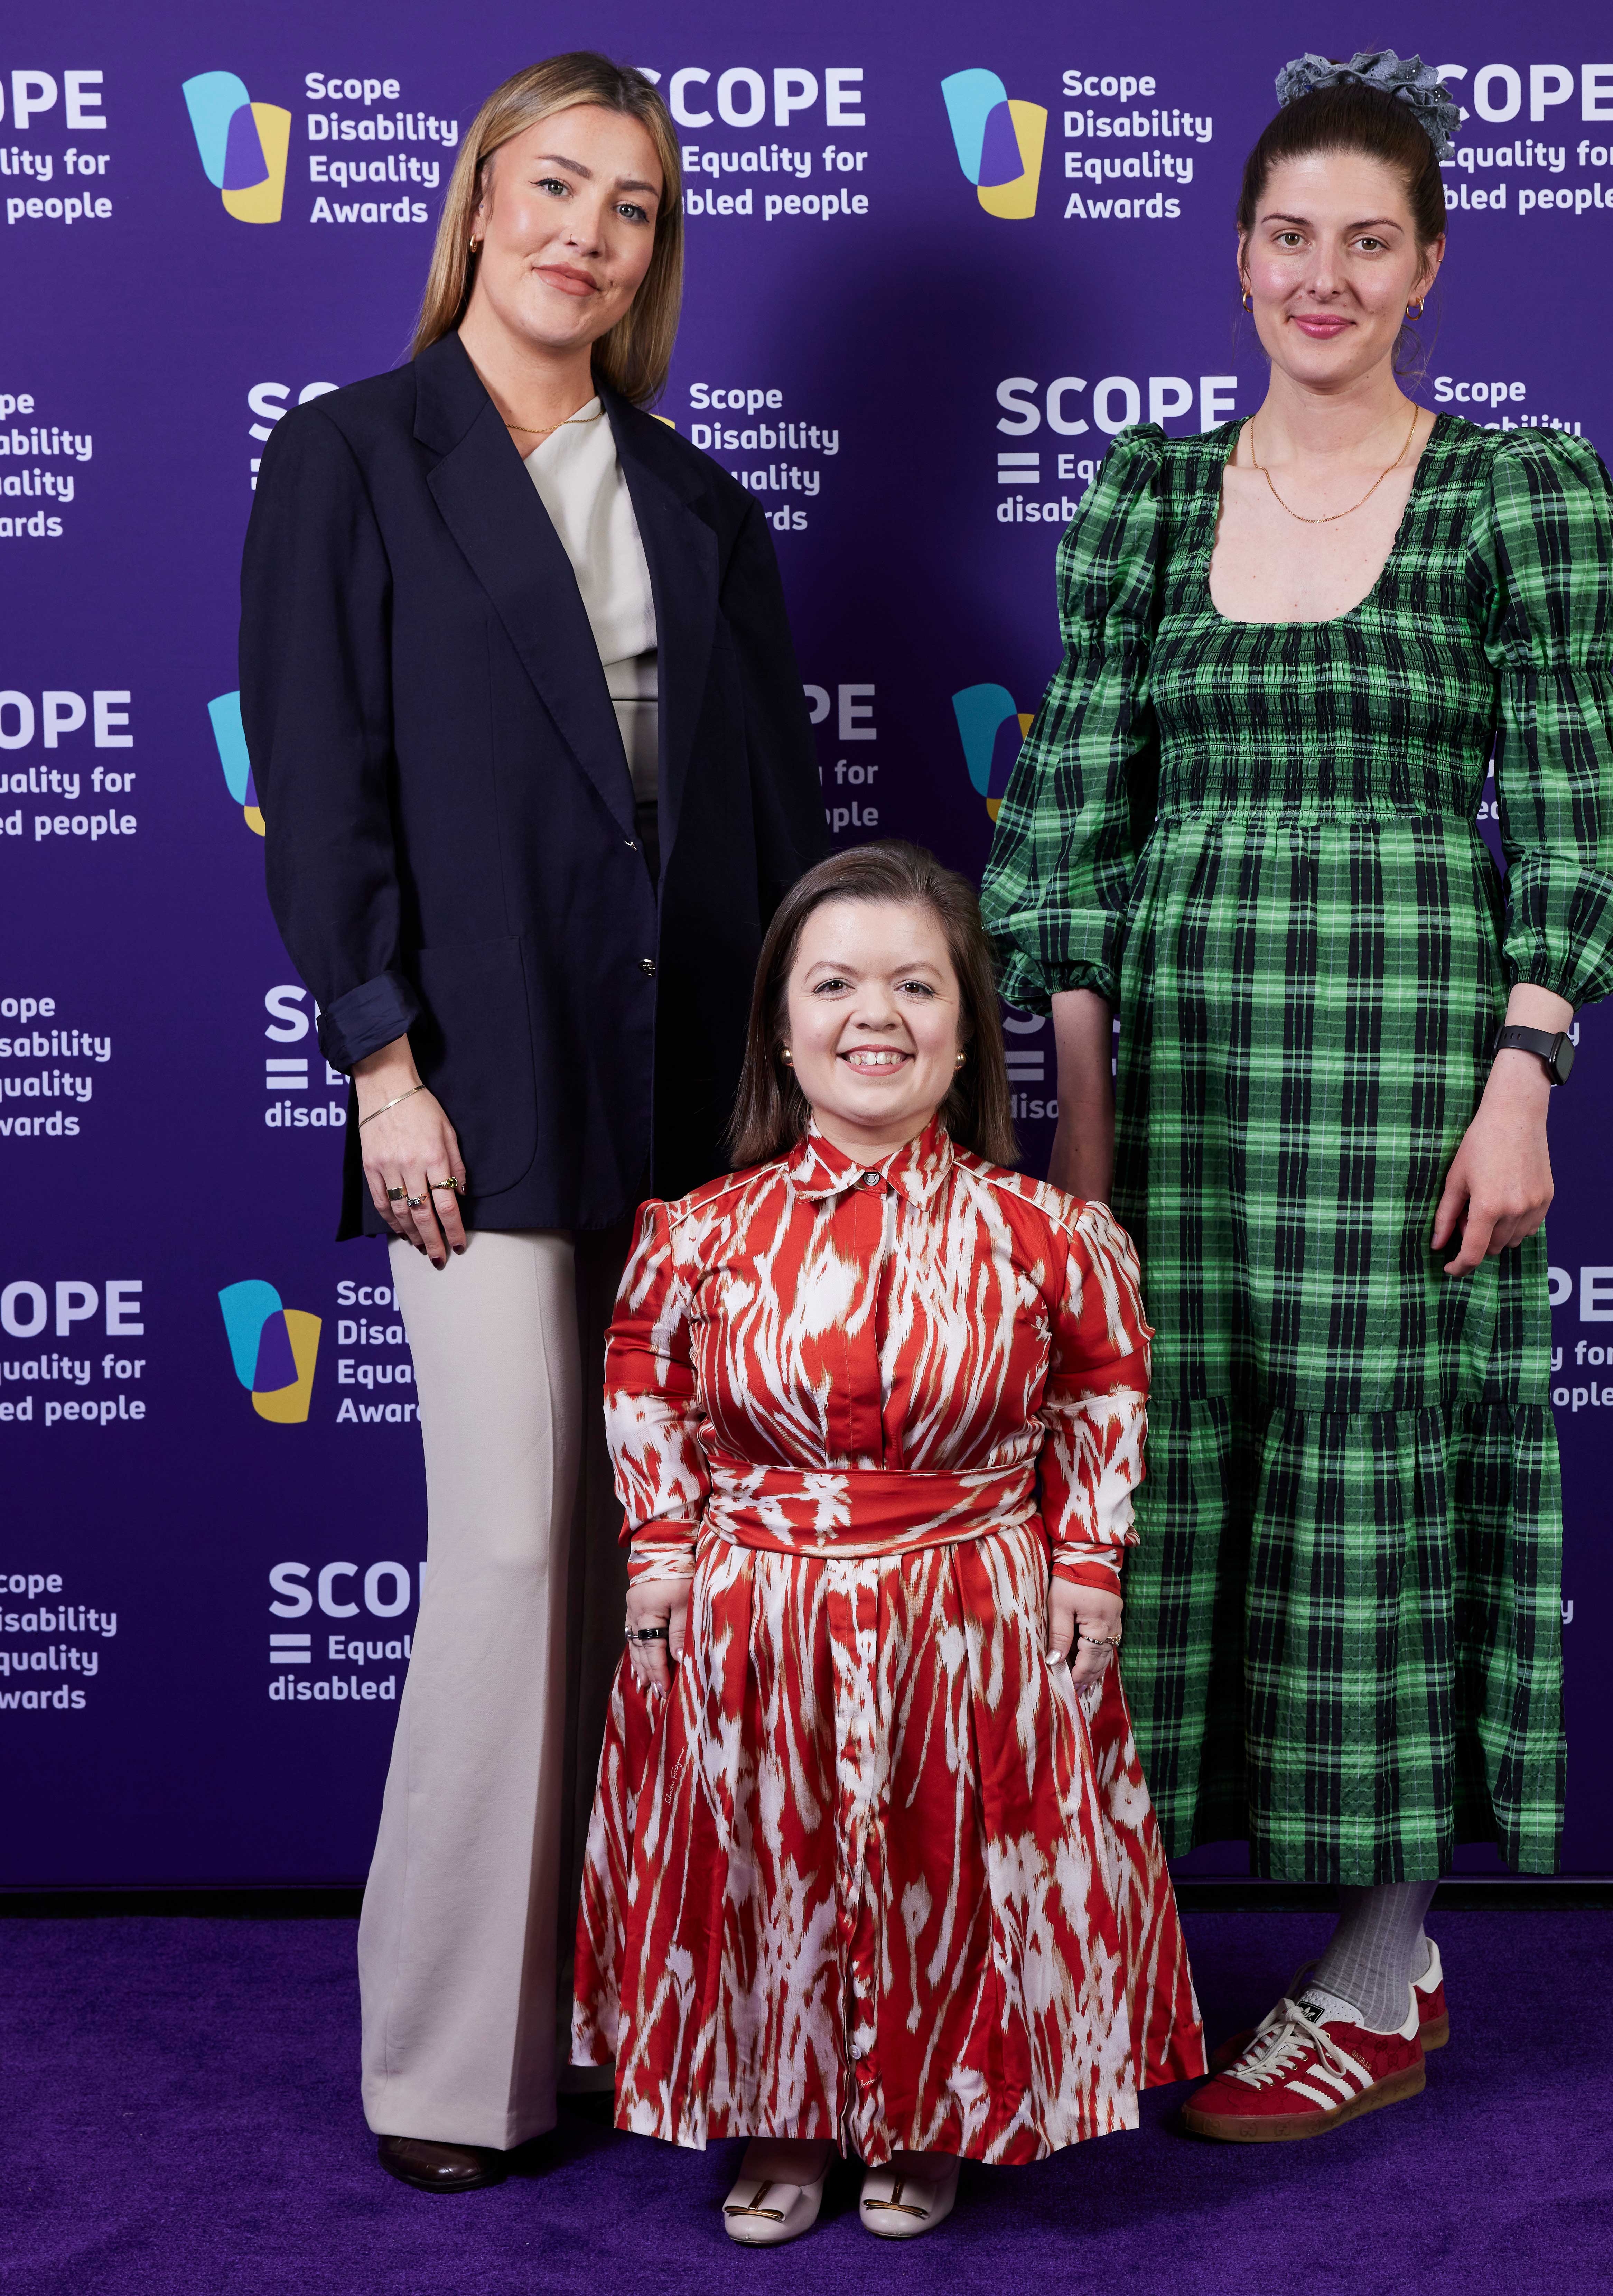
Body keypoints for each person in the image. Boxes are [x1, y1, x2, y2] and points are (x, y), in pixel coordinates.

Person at [981, 51, 1613, 2141]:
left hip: (1405, 1074)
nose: (1325, 276)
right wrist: (1080, 1132)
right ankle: (1104, 1959)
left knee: (1378, 1488)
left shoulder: (1512, 494)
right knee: (1143, 1481)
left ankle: (1382, 1975)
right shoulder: (1146, 496)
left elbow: (1590, 813)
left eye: (1368, 242)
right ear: (1239, 259)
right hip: (1181, 1080)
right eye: (1290, 237)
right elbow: (1071, 830)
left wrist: (1524, 1078)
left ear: (1428, 267)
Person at [239, 52, 827, 2192]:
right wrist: (381, 1067)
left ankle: (605, 2014)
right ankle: (445, 2067)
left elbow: (771, 826)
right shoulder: (351, 455)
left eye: (633, 206)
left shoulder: (699, 504)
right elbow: (322, 789)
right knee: (506, 1549)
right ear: (482, 199)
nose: (588, 233)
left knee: (640, 1578)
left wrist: (801, 1121)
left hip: (694, 1105)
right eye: (557, 186)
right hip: (471, 1092)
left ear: (657, 252)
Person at [571, 842, 1205, 2241]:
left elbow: (1103, 1391)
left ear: (967, 1032)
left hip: (971, 1609)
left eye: (918, 986)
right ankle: (783, 2113)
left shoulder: (1051, 1236)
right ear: (780, 1028)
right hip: (757, 1609)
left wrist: (1088, 1562)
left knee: (944, 1867)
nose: (877, 1014)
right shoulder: (695, 1236)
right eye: (836, 984)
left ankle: (929, 2114)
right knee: (772, 1867)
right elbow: (646, 1387)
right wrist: (662, 1559)